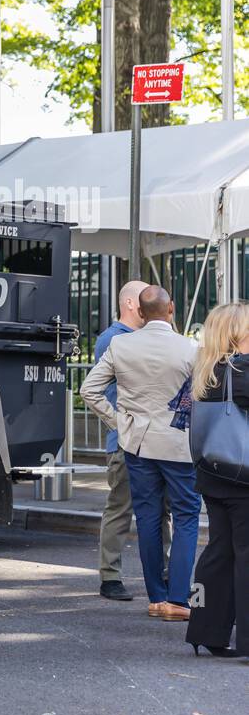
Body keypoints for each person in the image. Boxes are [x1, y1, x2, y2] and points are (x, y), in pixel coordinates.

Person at [81, 285, 200, 622]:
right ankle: (178, 598)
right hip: (179, 445)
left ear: (142, 314)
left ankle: (157, 598)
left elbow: (89, 390)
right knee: (186, 516)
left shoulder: (121, 345)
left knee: (147, 518)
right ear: (171, 308)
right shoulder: (190, 348)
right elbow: (201, 396)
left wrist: (119, 422)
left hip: (137, 444)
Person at [92, 280, 170, 601]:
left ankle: (164, 573)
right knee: (121, 509)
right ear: (129, 304)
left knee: (160, 510)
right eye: (143, 299)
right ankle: (110, 577)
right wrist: (119, 425)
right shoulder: (113, 340)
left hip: (156, 441)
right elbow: (96, 391)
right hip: (126, 443)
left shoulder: (145, 337)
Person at [186, 301, 249, 657]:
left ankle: (206, 631)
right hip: (244, 477)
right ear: (238, 334)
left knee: (219, 551)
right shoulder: (242, 372)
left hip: (213, 473)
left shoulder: (207, 370)